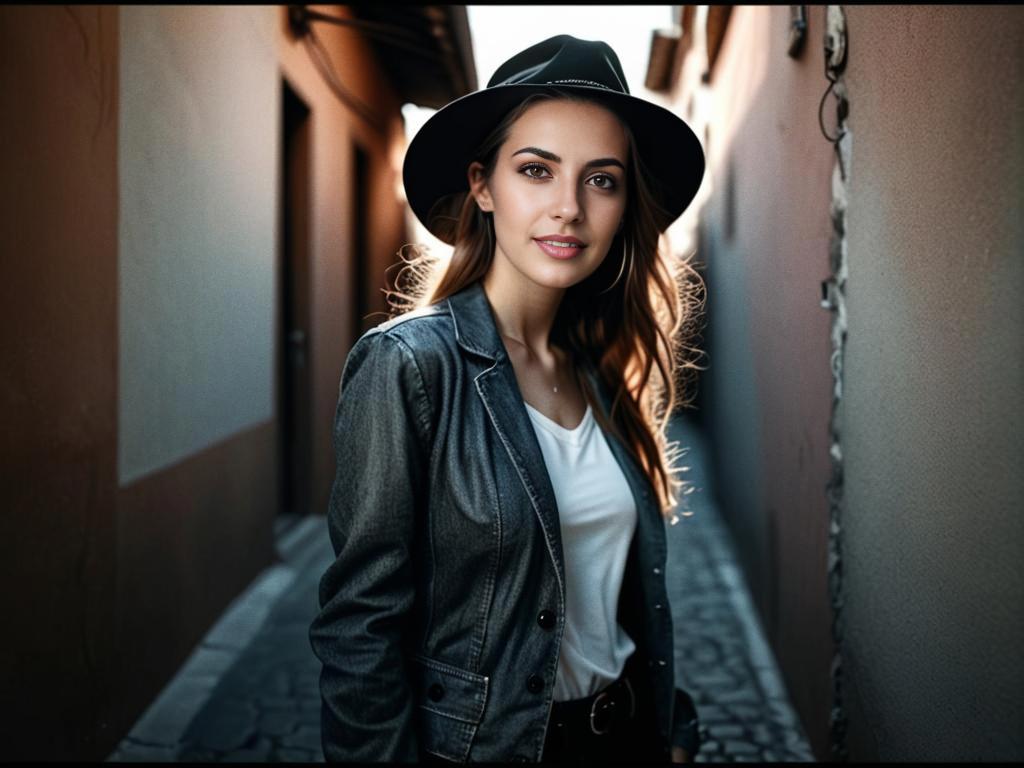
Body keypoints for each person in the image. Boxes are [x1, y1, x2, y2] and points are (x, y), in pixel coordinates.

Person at [309, 34, 706, 764]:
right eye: (535, 170)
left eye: (602, 180)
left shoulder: (597, 371)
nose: (569, 208)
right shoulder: (410, 369)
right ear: (483, 186)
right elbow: (359, 628)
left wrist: (672, 731)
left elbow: (619, 595)